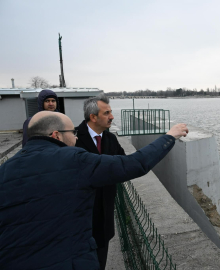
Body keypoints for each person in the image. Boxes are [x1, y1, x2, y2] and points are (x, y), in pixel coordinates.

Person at [0, 111, 188, 270]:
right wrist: (170, 136)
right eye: (72, 132)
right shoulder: (74, 160)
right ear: (56, 135)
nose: (75, 137)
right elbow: (135, 164)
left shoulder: (5, 169)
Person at [74, 94, 123, 269]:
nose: (112, 117)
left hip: (105, 218)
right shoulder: (73, 140)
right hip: (79, 220)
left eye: (111, 112)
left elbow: (124, 166)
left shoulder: (110, 139)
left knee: (101, 261)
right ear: (93, 117)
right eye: (107, 113)